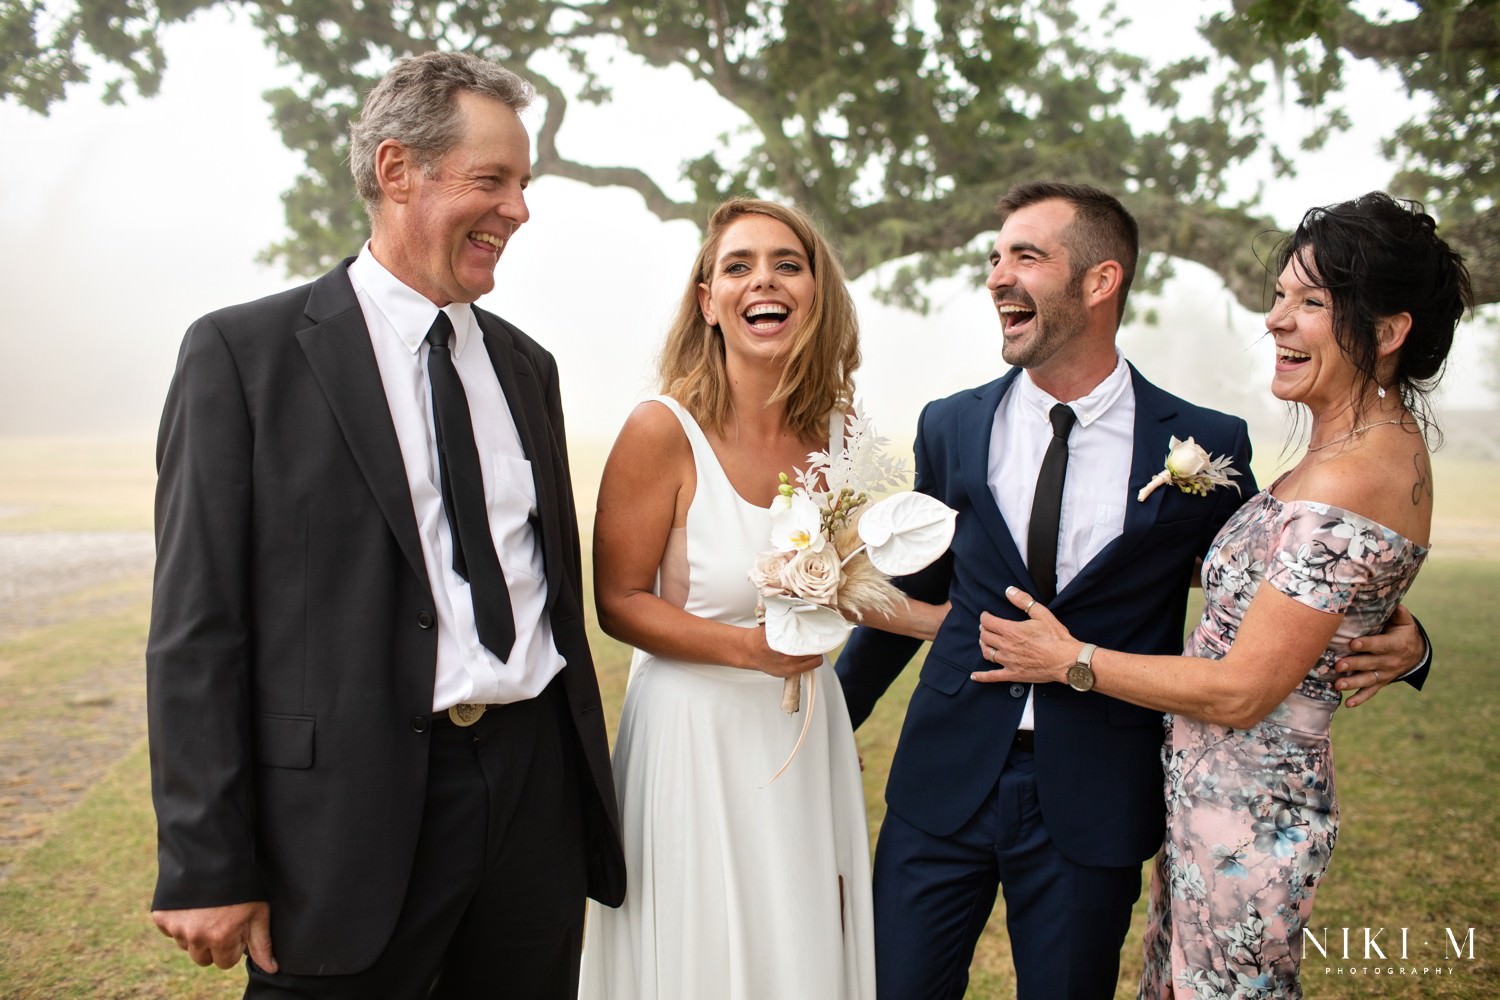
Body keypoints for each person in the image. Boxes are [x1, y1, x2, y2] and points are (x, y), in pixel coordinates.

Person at [835, 182, 1432, 1000]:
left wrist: (1408, 640)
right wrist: (837, 712)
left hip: (1097, 796)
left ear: (1099, 280)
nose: (998, 276)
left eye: (1027, 256)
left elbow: (1291, 571)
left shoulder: (1205, 444)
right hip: (943, 780)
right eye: (995, 256)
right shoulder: (952, 425)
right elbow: (923, 584)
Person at [146, 51, 623, 998]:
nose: (519, 210)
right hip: (342, 822)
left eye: (522, 184)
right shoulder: (242, 356)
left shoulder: (528, 367)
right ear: (398, 170)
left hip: (532, 802)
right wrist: (207, 857)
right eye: (492, 180)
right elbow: (198, 627)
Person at [577, 198, 943, 999]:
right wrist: (750, 649)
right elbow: (617, 601)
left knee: (797, 939)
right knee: (701, 948)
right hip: (691, 735)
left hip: (802, 733)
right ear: (707, 301)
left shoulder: (840, 432)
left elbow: (844, 584)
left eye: (786, 263)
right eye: (737, 267)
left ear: (816, 291)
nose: (762, 281)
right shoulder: (661, 429)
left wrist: (938, 624)